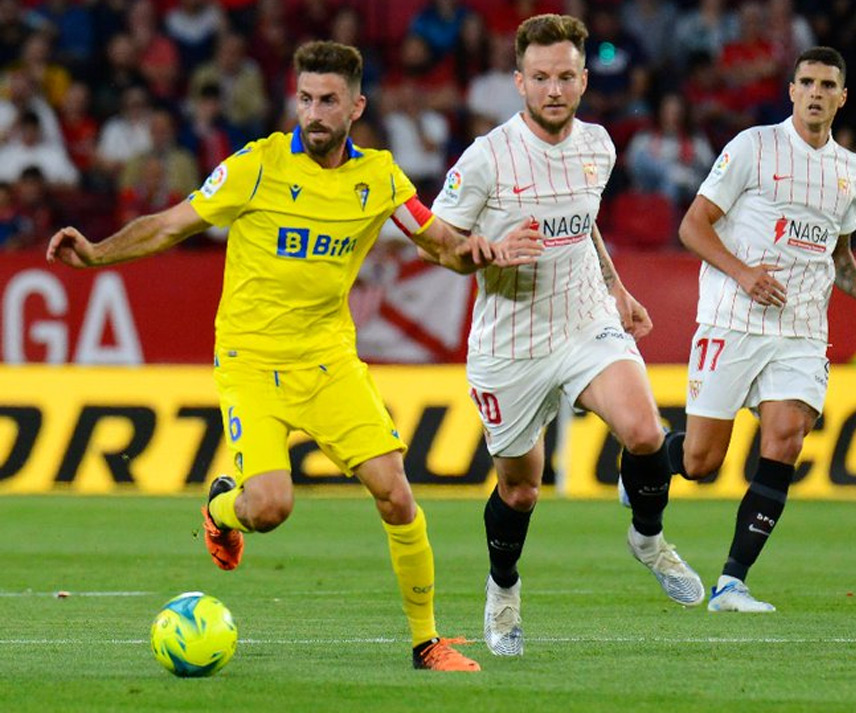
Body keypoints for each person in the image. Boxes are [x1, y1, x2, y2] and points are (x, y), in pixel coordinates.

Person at [47, 40, 537, 672]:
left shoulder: (379, 176)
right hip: (251, 359)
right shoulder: (256, 165)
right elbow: (173, 223)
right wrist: (97, 253)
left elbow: (436, 242)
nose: (313, 113)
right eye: (304, 98)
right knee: (271, 509)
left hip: (329, 360)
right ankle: (224, 507)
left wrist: (482, 249)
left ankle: (427, 642)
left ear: (355, 107)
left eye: (328, 101)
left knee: (396, 494)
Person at [428, 14, 705, 658]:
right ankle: (502, 592)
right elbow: (436, 245)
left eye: (567, 77)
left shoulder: (600, 146)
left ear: (583, 81)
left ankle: (647, 537)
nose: (554, 89)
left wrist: (616, 286)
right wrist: (488, 252)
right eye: (541, 78)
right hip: (511, 340)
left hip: (584, 317)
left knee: (643, 431)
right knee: (520, 488)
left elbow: (582, 224)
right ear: (519, 81)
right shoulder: (487, 157)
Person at [672, 46, 856, 612]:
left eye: (827, 85)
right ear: (791, 91)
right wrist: (744, 273)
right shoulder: (753, 146)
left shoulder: (851, 169)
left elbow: (837, 257)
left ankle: (731, 582)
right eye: (807, 82)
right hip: (733, 316)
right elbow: (693, 227)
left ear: (842, 98)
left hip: (800, 329)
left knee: (786, 441)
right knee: (700, 464)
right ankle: (643, 463)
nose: (816, 92)